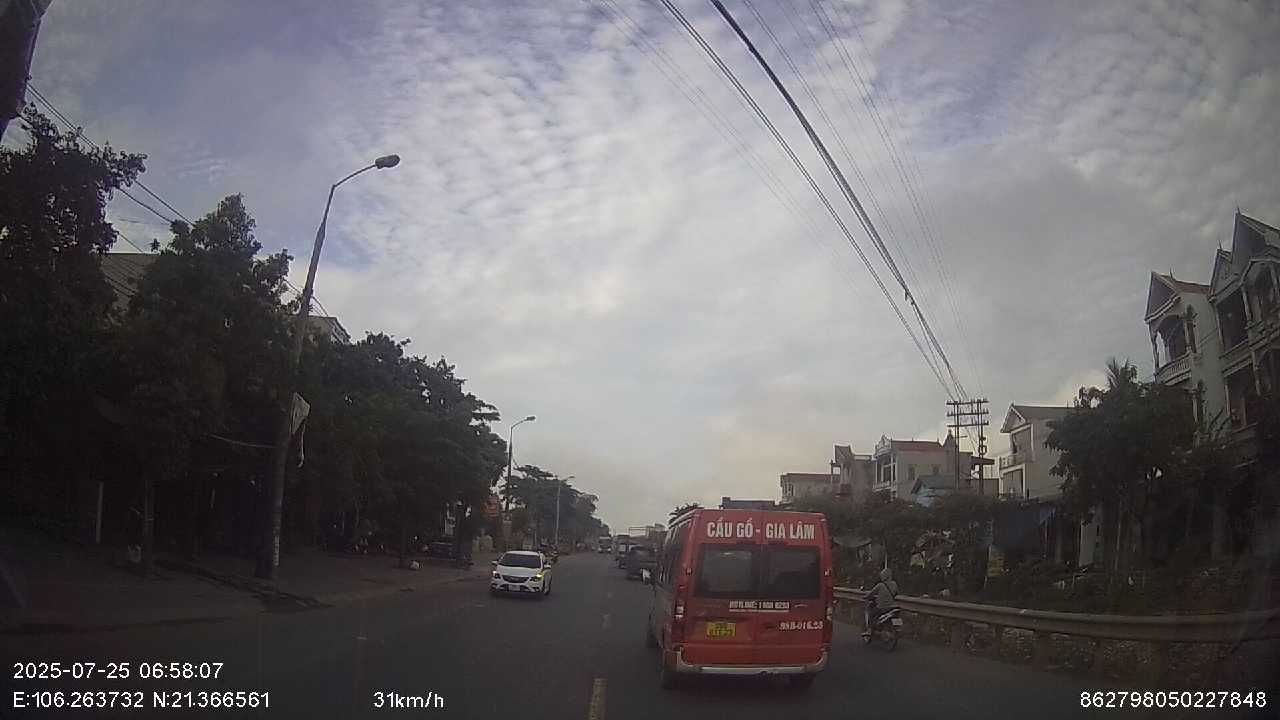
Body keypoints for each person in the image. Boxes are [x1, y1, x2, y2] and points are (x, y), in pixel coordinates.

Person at [863, 566, 899, 637]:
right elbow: (896, 593)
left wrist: (866, 597)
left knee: (871, 614)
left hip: (882, 607)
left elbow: (871, 593)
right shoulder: (894, 584)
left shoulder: (880, 585)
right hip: (892, 607)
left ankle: (869, 631)